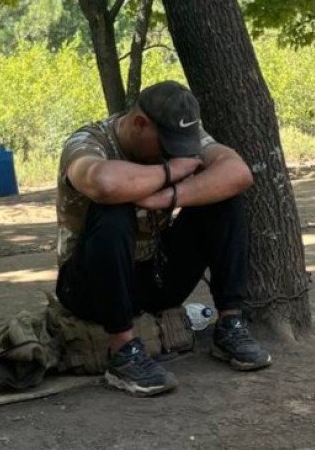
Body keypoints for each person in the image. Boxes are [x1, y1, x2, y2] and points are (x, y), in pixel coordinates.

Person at [55, 80, 272, 397]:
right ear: (140, 124)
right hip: (89, 288)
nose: (176, 152)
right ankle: (123, 351)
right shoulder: (89, 141)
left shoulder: (181, 135)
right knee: (112, 208)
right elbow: (103, 182)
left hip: (153, 276)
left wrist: (168, 197)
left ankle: (230, 325)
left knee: (225, 199)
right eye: (168, 146)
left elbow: (238, 172)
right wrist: (171, 171)